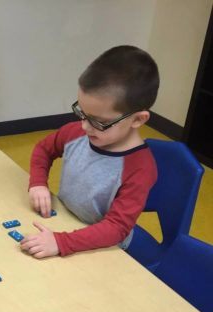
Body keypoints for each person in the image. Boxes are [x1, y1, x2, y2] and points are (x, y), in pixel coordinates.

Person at [22, 45, 159, 258]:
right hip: (65, 222)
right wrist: (38, 183)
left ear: (138, 119)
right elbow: (43, 149)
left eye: (100, 122)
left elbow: (116, 228)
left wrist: (61, 242)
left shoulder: (140, 168)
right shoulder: (76, 133)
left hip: (103, 247)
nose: (85, 126)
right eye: (82, 113)